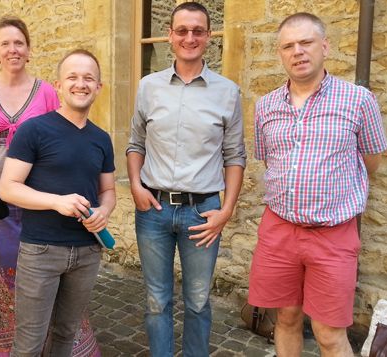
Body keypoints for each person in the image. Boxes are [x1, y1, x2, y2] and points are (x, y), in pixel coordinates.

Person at [248, 12, 387, 357]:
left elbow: (371, 160)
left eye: (306, 42)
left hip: (333, 233)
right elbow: (272, 162)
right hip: (279, 229)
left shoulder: (358, 100)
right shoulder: (265, 107)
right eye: (288, 46)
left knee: (329, 333)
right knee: (286, 318)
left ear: (324, 46)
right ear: (280, 54)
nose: (298, 51)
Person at [0, 16, 101, 357]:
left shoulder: (45, 91)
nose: (13, 49)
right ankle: (12, 344)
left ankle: (57, 342)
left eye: (19, 43)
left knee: (51, 270)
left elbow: (63, 137)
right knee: (2, 272)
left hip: (42, 204)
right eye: (5, 44)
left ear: (29, 50)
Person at [126, 2, 246, 356]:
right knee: (156, 300)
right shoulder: (149, 87)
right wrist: (135, 184)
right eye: (182, 30)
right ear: (170, 36)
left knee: (197, 301)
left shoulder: (227, 91)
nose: (189, 37)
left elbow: (235, 156)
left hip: (202, 213)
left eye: (197, 31)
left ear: (208, 36)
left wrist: (226, 211)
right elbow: (135, 143)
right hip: (153, 208)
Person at [0, 49, 115, 357]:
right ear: (58, 86)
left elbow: (108, 192)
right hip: (41, 251)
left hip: (88, 252)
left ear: (99, 87)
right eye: (73, 77)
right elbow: (8, 188)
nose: (81, 84)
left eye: (89, 78)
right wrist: (56, 202)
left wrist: (103, 212)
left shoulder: (101, 139)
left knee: (66, 335)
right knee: (28, 343)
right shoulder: (34, 130)